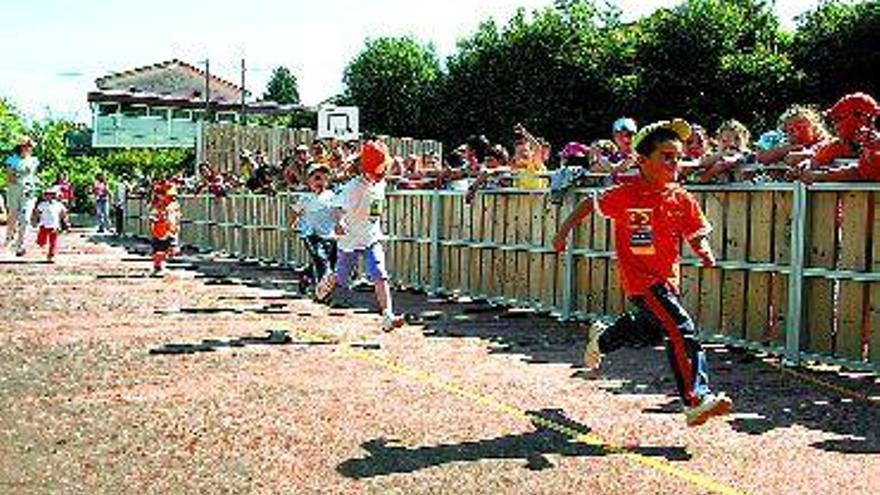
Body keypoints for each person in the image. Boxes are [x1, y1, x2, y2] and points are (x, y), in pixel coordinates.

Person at [553, 119, 733, 427]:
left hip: (667, 280)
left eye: (678, 157)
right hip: (641, 280)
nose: (674, 163)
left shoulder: (681, 197)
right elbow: (588, 204)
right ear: (642, 160)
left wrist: (704, 249)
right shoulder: (626, 193)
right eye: (666, 156)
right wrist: (563, 232)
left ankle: (603, 338)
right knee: (681, 328)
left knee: (648, 331)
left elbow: (696, 229)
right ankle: (695, 399)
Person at [320, 140, 405, 332]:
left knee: (379, 273)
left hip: (371, 238)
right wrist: (339, 221)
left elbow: (398, 174)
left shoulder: (380, 182)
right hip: (349, 241)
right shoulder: (354, 187)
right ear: (363, 169)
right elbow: (336, 208)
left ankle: (387, 316)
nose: (380, 175)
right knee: (341, 280)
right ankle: (327, 281)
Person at [799, 92, 880, 182]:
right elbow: (817, 158)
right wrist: (805, 166)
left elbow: (862, 172)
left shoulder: (875, 144)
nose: (835, 126)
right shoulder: (843, 144)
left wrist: (821, 176)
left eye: (838, 119)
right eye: (833, 121)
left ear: (862, 119)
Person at [290, 163, 338, 301]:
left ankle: (305, 277)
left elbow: (337, 212)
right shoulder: (305, 198)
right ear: (309, 181)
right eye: (316, 178)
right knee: (321, 260)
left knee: (329, 263)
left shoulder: (331, 195)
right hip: (311, 234)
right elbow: (295, 212)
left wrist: (341, 225)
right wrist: (292, 225)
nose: (320, 182)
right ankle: (322, 293)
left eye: (323, 179)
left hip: (330, 235)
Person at [4, 136, 40, 256]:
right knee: (12, 217)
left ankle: (20, 245)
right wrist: (20, 175)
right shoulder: (11, 159)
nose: (30, 148)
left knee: (25, 218)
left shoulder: (34, 160)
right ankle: (9, 238)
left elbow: (32, 176)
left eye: (31, 146)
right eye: (29, 146)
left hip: (29, 191)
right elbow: (10, 178)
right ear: (22, 146)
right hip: (14, 190)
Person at [149, 181, 181, 276]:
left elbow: (177, 216)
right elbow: (153, 217)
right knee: (158, 251)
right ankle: (157, 267)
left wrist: (177, 225)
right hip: (159, 231)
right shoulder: (157, 205)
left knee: (173, 250)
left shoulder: (175, 205)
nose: (172, 198)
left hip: (171, 230)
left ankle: (161, 262)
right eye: (169, 196)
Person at [30, 186, 68, 263]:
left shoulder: (58, 204)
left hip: (54, 226)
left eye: (51, 194)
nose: (49, 196)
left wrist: (66, 222)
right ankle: (41, 242)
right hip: (44, 225)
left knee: (53, 242)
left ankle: (51, 255)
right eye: (47, 195)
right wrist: (34, 220)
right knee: (41, 241)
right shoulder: (42, 204)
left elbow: (63, 213)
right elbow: (36, 212)